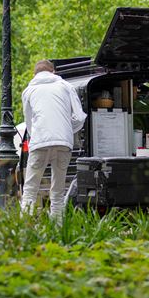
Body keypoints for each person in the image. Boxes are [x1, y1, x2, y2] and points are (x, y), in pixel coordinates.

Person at [21, 59, 86, 221]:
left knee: (30, 189)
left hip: (39, 142)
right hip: (64, 143)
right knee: (57, 191)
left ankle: (24, 229)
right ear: (53, 72)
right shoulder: (66, 86)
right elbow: (80, 117)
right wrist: (66, 130)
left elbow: (29, 122)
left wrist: (37, 134)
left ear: (34, 74)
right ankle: (58, 229)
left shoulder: (29, 91)